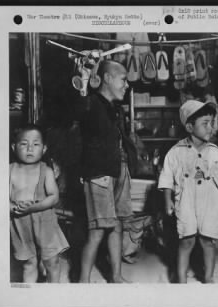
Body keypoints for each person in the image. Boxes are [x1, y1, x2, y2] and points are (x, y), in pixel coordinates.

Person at [158, 100, 218, 283]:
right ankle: (181, 279)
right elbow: (167, 178)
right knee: (186, 240)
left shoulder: (214, 152)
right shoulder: (175, 152)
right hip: (186, 200)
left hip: (210, 200)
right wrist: (167, 200)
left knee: (208, 241)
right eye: (205, 124)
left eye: (211, 123)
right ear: (190, 127)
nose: (210, 128)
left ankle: (208, 278)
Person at [79, 60, 137, 283]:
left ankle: (116, 277)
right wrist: (85, 76)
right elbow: (77, 108)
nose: (126, 86)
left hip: (118, 168)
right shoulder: (91, 104)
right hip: (99, 174)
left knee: (118, 223)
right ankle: (82, 283)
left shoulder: (115, 109)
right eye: (123, 80)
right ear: (108, 78)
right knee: (98, 230)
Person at [10, 124, 69, 283]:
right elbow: (0, 198)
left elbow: (53, 197)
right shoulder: (9, 171)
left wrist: (33, 207)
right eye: (24, 144)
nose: (30, 148)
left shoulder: (47, 171)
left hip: (45, 223)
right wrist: (13, 208)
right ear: (14, 147)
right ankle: (30, 299)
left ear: (43, 149)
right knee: (28, 264)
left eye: (36, 144)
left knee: (52, 262)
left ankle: (52, 296)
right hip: (20, 225)